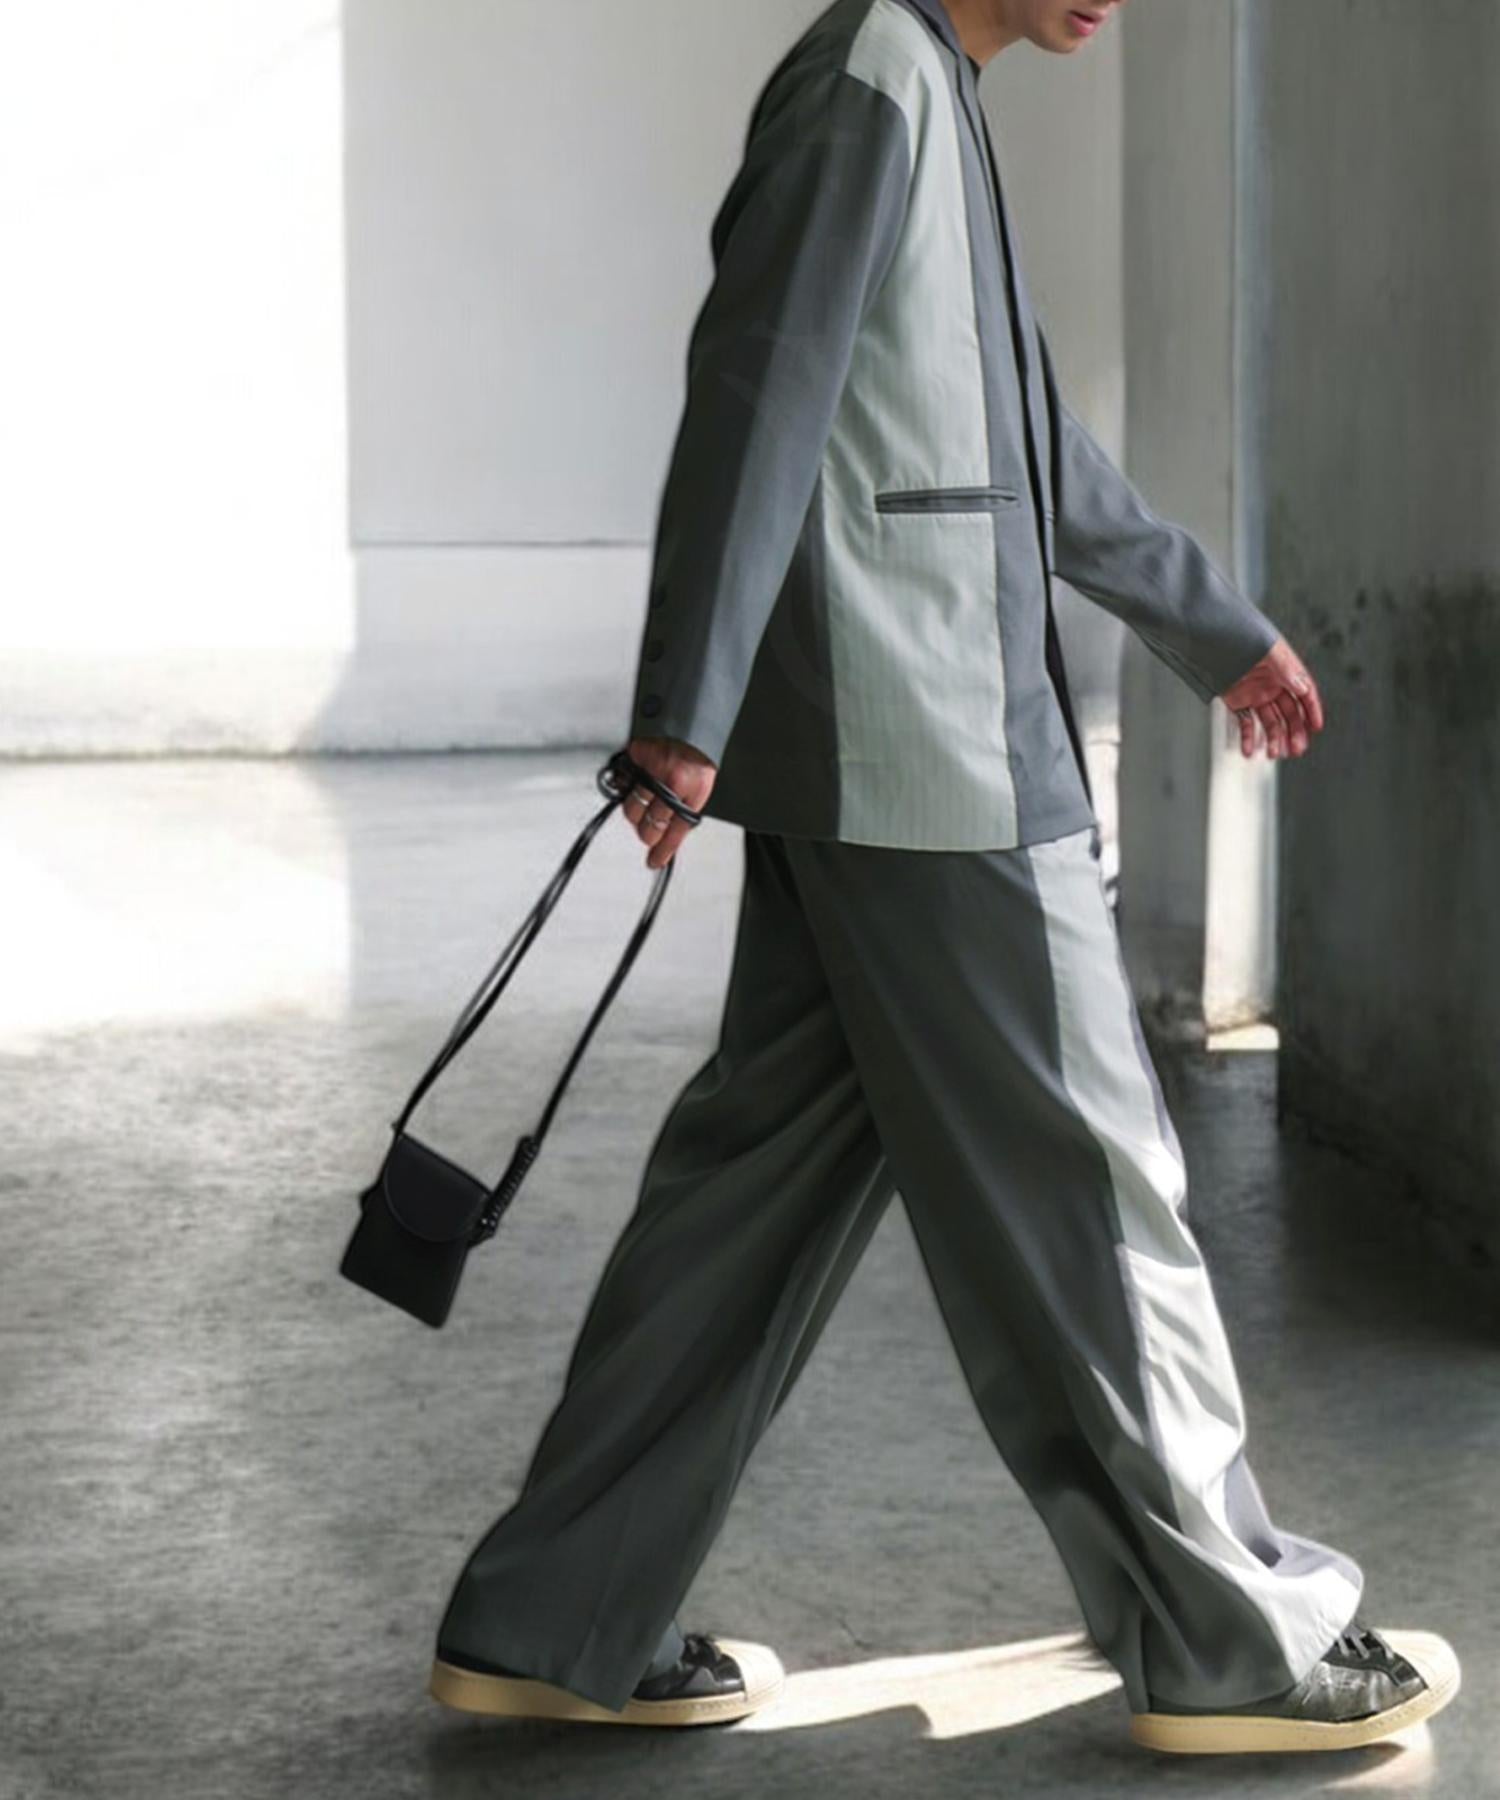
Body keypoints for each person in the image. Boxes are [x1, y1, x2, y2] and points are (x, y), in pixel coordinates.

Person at [426, 0, 1460, 1755]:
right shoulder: (869, 84)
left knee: (741, 1216)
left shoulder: (929, 87)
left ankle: (547, 1616)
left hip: (889, 765)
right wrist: (683, 711)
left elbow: (1027, 445)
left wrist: (1214, 629)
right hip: (934, 762)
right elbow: (757, 396)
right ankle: (1235, 1640)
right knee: (1094, 1187)